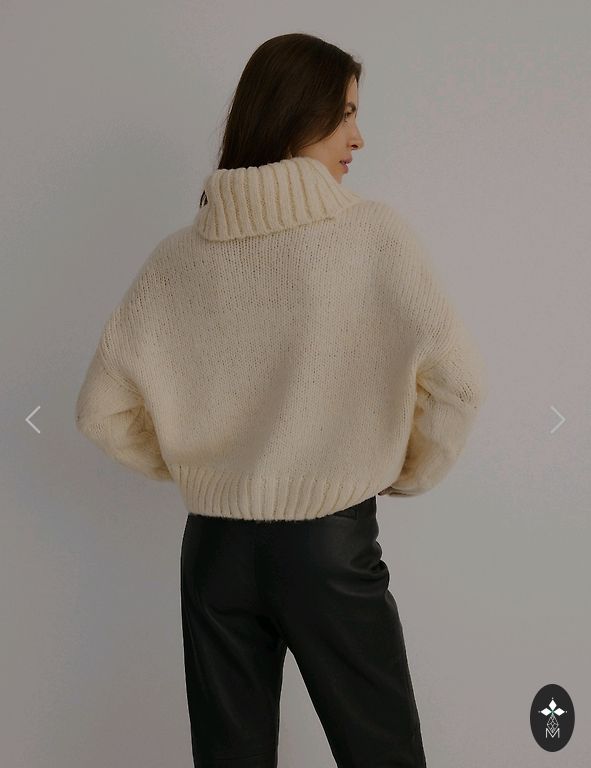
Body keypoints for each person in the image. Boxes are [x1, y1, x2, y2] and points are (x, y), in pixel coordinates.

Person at [75, 32, 488, 768]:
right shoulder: (371, 236)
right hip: (328, 548)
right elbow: (458, 382)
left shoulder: (176, 258)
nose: (358, 137)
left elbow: (100, 412)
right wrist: (396, 469)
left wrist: (206, 466)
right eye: (346, 114)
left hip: (213, 552)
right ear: (296, 114)